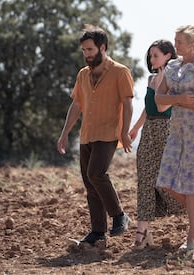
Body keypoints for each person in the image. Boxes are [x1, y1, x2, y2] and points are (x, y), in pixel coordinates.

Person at [57, 24, 134, 248]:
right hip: (87, 135)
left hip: (108, 133)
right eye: (84, 51)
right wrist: (64, 134)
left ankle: (119, 215)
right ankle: (98, 232)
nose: (86, 54)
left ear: (102, 47)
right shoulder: (83, 75)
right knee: (90, 184)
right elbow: (76, 105)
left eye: (90, 50)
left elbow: (128, 104)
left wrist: (124, 131)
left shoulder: (121, 72)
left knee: (96, 173)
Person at [154, 25, 194, 252]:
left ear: (193, 45)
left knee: (191, 188)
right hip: (176, 133)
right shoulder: (172, 67)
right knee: (164, 181)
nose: (175, 45)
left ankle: (192, 237)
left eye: (179, 42)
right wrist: (179, 99)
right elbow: (159, 99)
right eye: (175, 40)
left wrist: (174, 99)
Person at [128, 39, 184, 250]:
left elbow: (162, 109)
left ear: (168, 56)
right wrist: (135, 127)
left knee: (167, 182)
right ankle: (141, 234)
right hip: (148, 132)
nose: (151, 60)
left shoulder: (172, 79)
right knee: (145, 180)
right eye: (150, 56)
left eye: (156, 56)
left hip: (166, 132)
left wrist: (163, 81)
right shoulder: (152, 79)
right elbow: (149, 108)